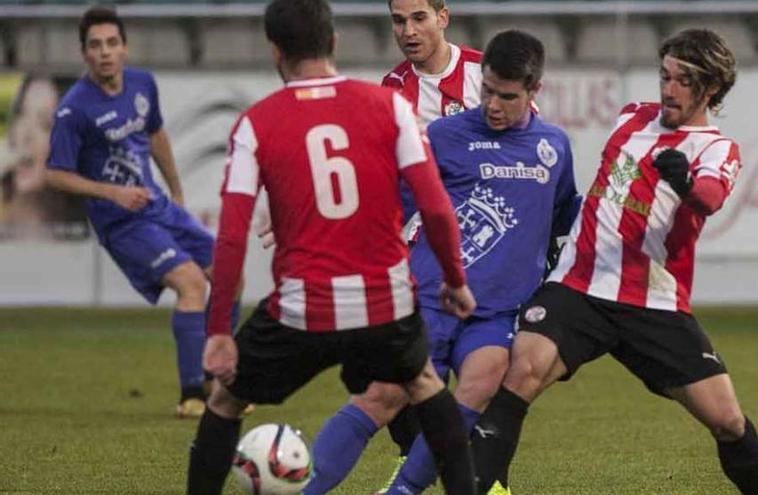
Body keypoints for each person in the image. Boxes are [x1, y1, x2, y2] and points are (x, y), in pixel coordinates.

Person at [185, 1, 479, 494]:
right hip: (385, 303)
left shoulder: (257, 123)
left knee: (223, 402)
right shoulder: (389, 106)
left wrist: (219, 331)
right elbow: (435, 206)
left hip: (303, 308)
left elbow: (233, 236)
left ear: (274, 51)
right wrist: (455, 281)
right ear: (334, 42)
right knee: (426, 385)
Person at [471, 28, 758, 495]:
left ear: (710, 89)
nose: (668, 88)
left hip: (652, 301)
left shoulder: (715, 150)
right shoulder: (632, 117)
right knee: (520, 375)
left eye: (684, 81)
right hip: (578, 286)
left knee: (729, 422)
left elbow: (710, 198)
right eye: (665, 75)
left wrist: (684, 184)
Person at [301, 29, 580, 495]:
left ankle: (401, 493)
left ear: (535, 90)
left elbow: (565, 211)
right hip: (431, 297)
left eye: (507, 97)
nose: (493, 104)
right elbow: (389, 205)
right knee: (384, 395)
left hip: (496, 312)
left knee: (482, 383)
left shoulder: (553, 146)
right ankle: (304, 489)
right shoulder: (444, 136)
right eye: (488, 90)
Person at [44, 6, 240, 418]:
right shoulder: (74, 109)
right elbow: (55, 175)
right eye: (95, 45)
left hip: (158, 206)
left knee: (229, 275)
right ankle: (193, 395)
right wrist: (110, 193)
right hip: (120, 222)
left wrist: (177, 191)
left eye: (112, 43)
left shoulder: (141, 84)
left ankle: (218, 375)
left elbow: (155, 135)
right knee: (190, 283)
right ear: (84, 53)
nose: (105, 53)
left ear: (125, 48)